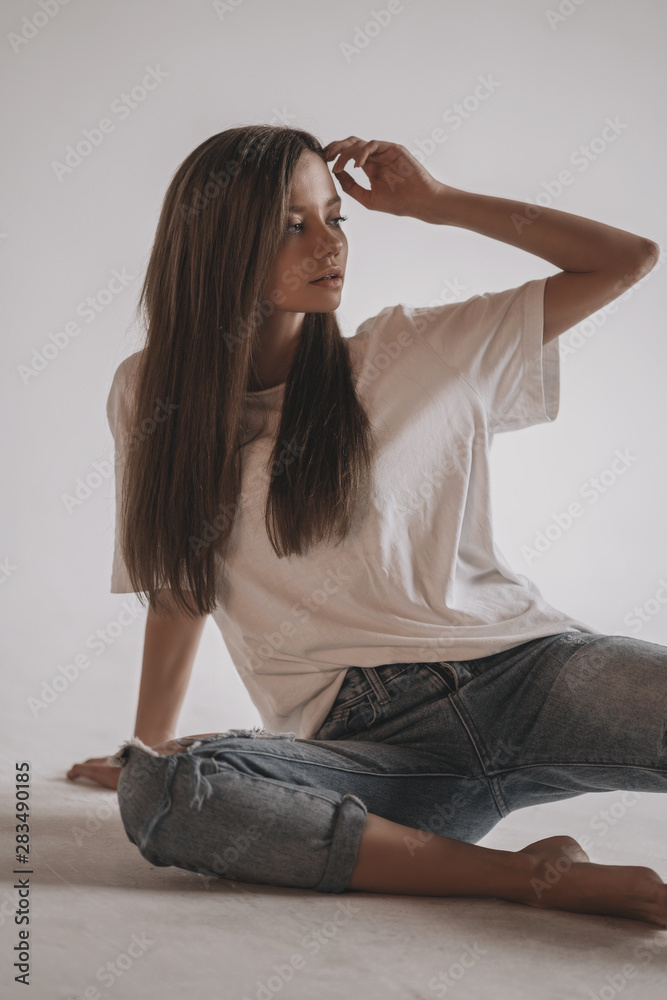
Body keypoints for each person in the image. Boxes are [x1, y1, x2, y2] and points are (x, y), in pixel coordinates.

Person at [67, 126, 667, 927]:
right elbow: (181, 583)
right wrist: (144, 745)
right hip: (364, 750)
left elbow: (624, 258)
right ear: (215, 242)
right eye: (293, 223)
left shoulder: (416, 347)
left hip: (528, 676)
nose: (329, 244)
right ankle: (528, 878)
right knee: (166, 794)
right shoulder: (149, 394)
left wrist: (439, 203)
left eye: (336, 217)